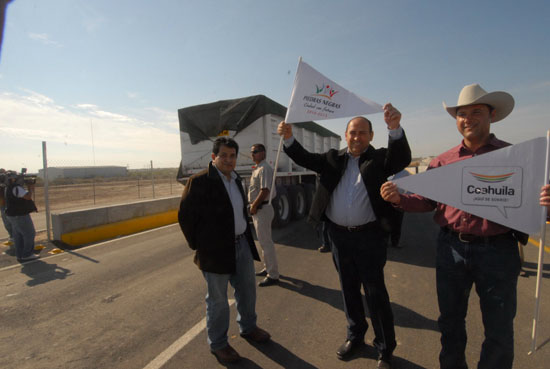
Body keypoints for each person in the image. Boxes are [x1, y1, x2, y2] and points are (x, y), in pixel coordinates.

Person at [380, 83, 541, 369]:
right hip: (450, 249)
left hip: (499, 252)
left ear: (491, 114)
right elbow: (426, 201)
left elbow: (533, 204)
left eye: (476, 112)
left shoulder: (515, 158)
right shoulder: (443, 161)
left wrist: (546, 203)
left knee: (499, 330)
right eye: (462, 114)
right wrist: (399, 200)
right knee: (451, 324)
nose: (468, 119)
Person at [278, 103, 411, 369]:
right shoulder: (332, 159)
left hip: (370, 237)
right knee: (348, 290)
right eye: (352, 132)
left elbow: (401, 159)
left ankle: (385, 349)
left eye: (363, 132)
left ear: (371, 136)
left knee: (375, 293)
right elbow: (304, 158)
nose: (357, 137)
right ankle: (355, 337)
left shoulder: (379, 159)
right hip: (339, 237)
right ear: (346, 134)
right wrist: (288, 138)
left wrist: (394, 129)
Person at [178, 137, 271, 364]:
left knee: (247, 291)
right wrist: (200, 246)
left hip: (241, 245)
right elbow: (185, 217)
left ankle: (248, 327)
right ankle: (219, 344)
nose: (229, 160)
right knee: (218, 300)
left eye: (232, 156)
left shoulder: (235, 179)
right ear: (214, 157)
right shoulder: (199, 182)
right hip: (215, 252)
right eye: (224, 155)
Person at [248, 143, 280, 287]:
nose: (252, 154)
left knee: (266, 243)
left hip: (263, 209)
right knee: (262, 242)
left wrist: (254, 205)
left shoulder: (265, 168)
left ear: (262, 153)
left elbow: (265, 190)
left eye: (255, 151)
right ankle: (267, 268)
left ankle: (273, 275)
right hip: (259, 210)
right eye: (252, 152)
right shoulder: (258, 168)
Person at [4, 170, 38, 262]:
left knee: (18, 236)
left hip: (12, 215)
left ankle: (20, 255)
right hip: (20, 215)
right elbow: (28, 197)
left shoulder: (9, 188)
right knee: (29, 234)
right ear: (14, 179)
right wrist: (30, 188)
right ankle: (27, 254)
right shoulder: (17, 188)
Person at [386, 169, 410, 248]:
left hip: (398, 202)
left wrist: (404, 199)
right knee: (384, 223)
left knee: (397, 223)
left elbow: (410, 190)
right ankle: (383, 242)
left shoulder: (405, 173)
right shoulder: (384, 171)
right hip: (384, 202)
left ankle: (395, 242)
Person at [0, 168, 14, 248]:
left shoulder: (10, 184)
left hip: (10, 204)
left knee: (12, 221)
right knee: (6, 221)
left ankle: (16, 236)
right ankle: (12, 235)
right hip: (2, 204)